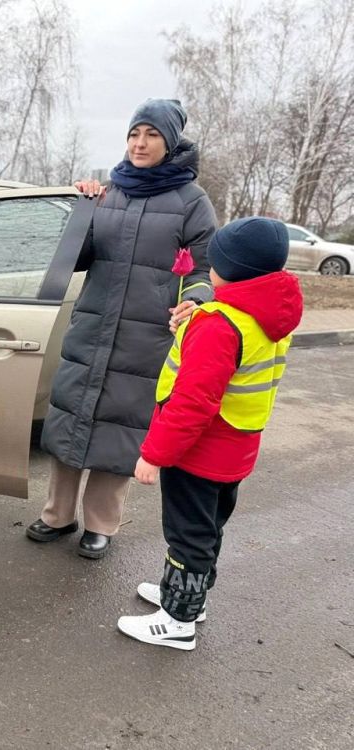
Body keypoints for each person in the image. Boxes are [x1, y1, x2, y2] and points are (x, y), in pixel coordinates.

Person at [27, 98, 217, 559]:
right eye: (135, 133)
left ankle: (101, 525)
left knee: (121, 429)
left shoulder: (192, 201)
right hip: (92, 327)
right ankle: (57, 514)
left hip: (145, 334)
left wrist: (195, 299)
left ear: (169, 142)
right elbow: (78, 256)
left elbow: (204, 268)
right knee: (71, 419)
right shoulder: (109, 192)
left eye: (151, 134)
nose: (140, 142)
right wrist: (79, 209)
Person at [117, 217, 302, 650]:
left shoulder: (219, 324)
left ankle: (177, 620)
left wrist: (155, 454)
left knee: (188, 534)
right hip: (235, 450)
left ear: (230, 268)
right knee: (208, 528)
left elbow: (192, 402)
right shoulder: (264, 315)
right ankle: (190, 597)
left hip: (198, 453)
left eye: (214, 259)